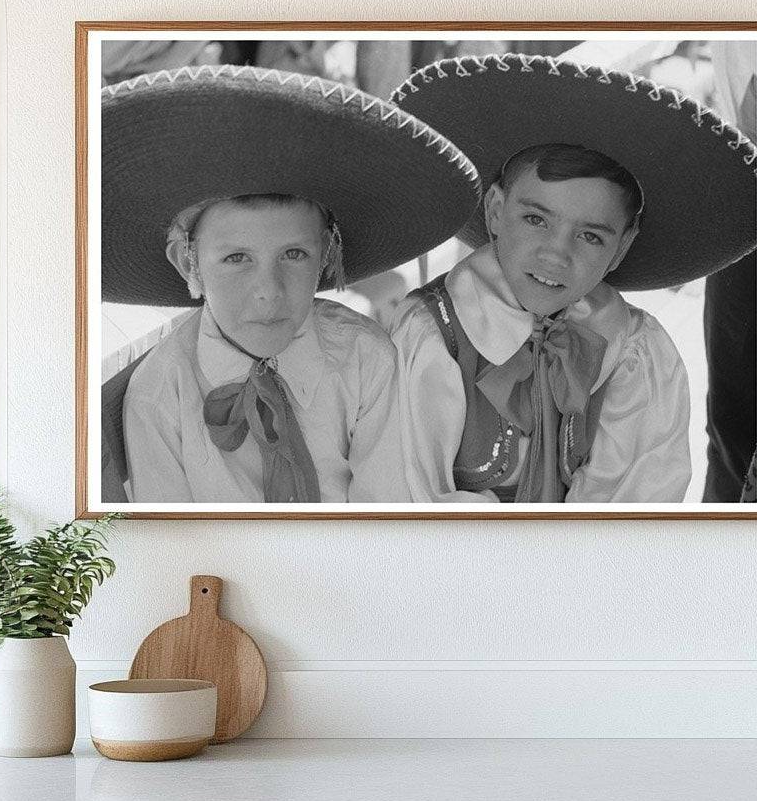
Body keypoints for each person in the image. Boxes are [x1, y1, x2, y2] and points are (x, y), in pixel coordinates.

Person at [99, 63, 480, 504]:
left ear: (325, 255)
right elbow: (175, 544)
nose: (269, 291)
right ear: (189, 264)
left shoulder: (364, 358)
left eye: (294, 255)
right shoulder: (159, 394)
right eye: (237, 258)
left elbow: (386, 512)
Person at [389, 52, 757, 504]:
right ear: (495, 213)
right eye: (536, 220)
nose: (557, 255)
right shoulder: (433, 334)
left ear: (621, 247)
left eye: (590, 236)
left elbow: (636, 499)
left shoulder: (633, 351)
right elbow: (404, 494)